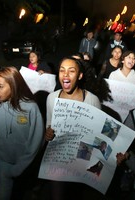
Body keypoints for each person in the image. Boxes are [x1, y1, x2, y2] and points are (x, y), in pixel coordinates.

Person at [44, 56, 101, 200]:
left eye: (71, 71)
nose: (65, 75)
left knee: (75, 193)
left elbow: (98, 134)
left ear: (80, 75)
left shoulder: (92, 100)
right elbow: (48, 125)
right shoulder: (51, 98)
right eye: (62, 70)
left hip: (81, 159)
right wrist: (48, 133)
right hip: (58, 157)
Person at [0, 66, 44, 200]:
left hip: (26, 163)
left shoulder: (30, 107)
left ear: (13, 85)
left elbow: (36, 140)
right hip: (4, 162)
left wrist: (20, 167)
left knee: (24, 191)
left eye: (0, 86)